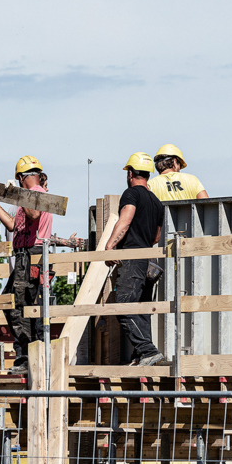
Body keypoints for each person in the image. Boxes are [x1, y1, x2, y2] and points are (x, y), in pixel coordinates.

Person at [0, 155, 53, 375]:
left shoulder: (39, 194)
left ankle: (27, 356)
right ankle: (26, 354)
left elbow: (33, 213)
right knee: (14, 303)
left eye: (19, 180)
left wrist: (18, 193)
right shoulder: (26, 197)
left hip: (32, 255)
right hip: (24, 256)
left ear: (23, 178)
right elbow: (14, 225)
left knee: (19, 306)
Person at [105, 152, 166, 366]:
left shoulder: (131, 194)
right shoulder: (157, 202)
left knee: (123, 304)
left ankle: (147, 351)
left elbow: (125, 220)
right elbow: (156, 237)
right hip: (147, 260)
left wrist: (110, 246)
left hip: (131, 258)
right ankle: (142, 355)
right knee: (140, 309)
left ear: (130, 173)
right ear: (148, 174)